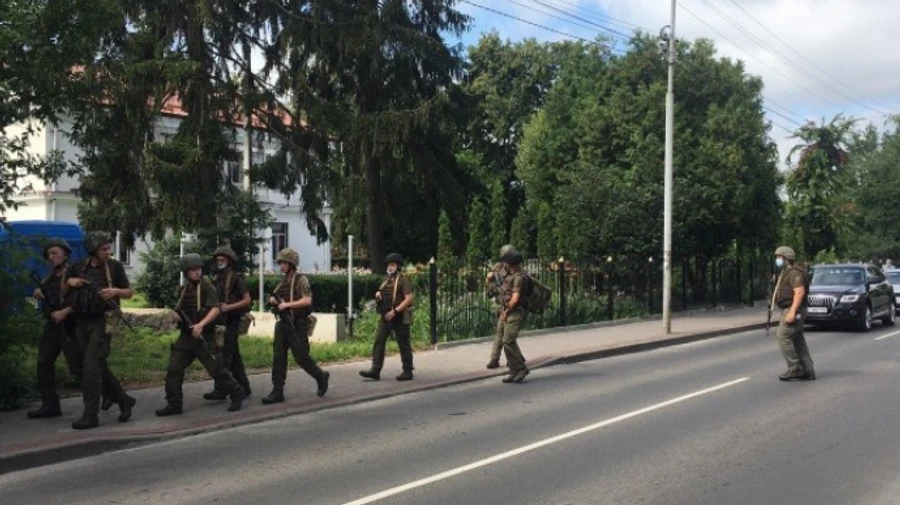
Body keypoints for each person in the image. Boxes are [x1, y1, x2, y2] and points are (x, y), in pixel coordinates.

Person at [155, 254, 245, 416]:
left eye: (199, 269)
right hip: (187, 335)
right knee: (174, 368)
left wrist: (201, 325)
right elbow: (180, 309)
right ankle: (174, 403)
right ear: (186, 272)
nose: (197, 272)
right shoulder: (184, 289)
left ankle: (237, 392)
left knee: (216, 370)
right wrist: (175, 316)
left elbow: (216, 308)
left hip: (205, 335)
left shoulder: (207, 285)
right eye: (193, 270)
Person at [66, 231, 136, 430]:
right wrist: (71, 282)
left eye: (109, 248)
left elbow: (129, 292)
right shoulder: (79, 266)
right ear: (93, 250)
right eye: (103, 249)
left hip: (102, 321)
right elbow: (65, 286)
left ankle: (91, 415)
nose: (108, 251)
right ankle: (123, 399)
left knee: (91, 366)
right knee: (93, 365)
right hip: (81, 321)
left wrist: (115, 292)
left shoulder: (114, 267)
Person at [261, 248, 329, 404]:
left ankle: (320, 376)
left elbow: (307, 300)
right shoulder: (283, 281)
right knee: (278, 357)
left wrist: (287, 305)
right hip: (283, 324)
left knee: (301, 357)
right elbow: (274, 295)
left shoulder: (301, 280)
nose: (281, 265)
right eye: (281, 263)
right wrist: (273, 300)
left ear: (291, 264)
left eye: (284, 262)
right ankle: (277, 391)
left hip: (297, 324)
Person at [26, 239, 83, 419]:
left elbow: (82, 301)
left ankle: (111, 396)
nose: (51, 257)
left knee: (78, 367)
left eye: (55, 253)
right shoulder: (49, 277)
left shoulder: (73, 275)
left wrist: (64, 312)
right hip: (52, 328)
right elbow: (47, 296)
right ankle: (50, 405)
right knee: (43, 364)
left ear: (65, 254)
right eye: (49, 254)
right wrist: (38, 293)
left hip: (70, 327)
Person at [203, 245, 252, 400]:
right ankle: (244, 387)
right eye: (217, 259)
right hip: (221, 320)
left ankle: (222, 390)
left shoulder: (237, 277)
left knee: (224, 358)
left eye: (222, 259)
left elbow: (247, 300)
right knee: (234, 357)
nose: (219, 261)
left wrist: (229, 307)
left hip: (232, 320)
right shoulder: (217, 277)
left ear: (229, 260)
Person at [359, 253, 415, 381]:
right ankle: (375, 370)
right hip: (385, 315)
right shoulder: (386, 279)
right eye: (389, 265)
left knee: (403, 342)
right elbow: (385, 295)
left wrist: (395, 311)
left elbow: (409, 298)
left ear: (398, 266)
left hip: (399, 315)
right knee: (379, 340)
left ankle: (408, 370)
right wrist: (379, 295)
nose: (390, 267)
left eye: (393, 264)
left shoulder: (403, 279)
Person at [771, 246, 815, 381]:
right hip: (792, 309)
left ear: (786, 258)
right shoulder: (787, 272)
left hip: (793, 309)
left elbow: (799, 292)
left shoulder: (795, 273)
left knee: (783, 336)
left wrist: (792, 311)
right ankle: (808, 370)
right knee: (797, 339)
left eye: (779, 257)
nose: (777, 260)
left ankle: (795, 367)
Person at [497, 247, 530, 383]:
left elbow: (515, 299)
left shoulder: (519, 278)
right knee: (506, 341)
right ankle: (513, 370)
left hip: (515, 312)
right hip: (508, 311)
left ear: (511, 263)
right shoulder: (512, 275)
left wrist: (507, 311)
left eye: (506, 262)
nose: (505, 265)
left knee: (508, 341)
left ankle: (521, 368)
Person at [485, 245, 515, 369]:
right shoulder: (497, 268)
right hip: (501, 305)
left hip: (512, 305)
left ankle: (509, 359)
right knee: (501, 333)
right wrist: (488, 279)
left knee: (508, 335)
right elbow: (490, 290)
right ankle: (496, 359)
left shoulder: (515, 269)